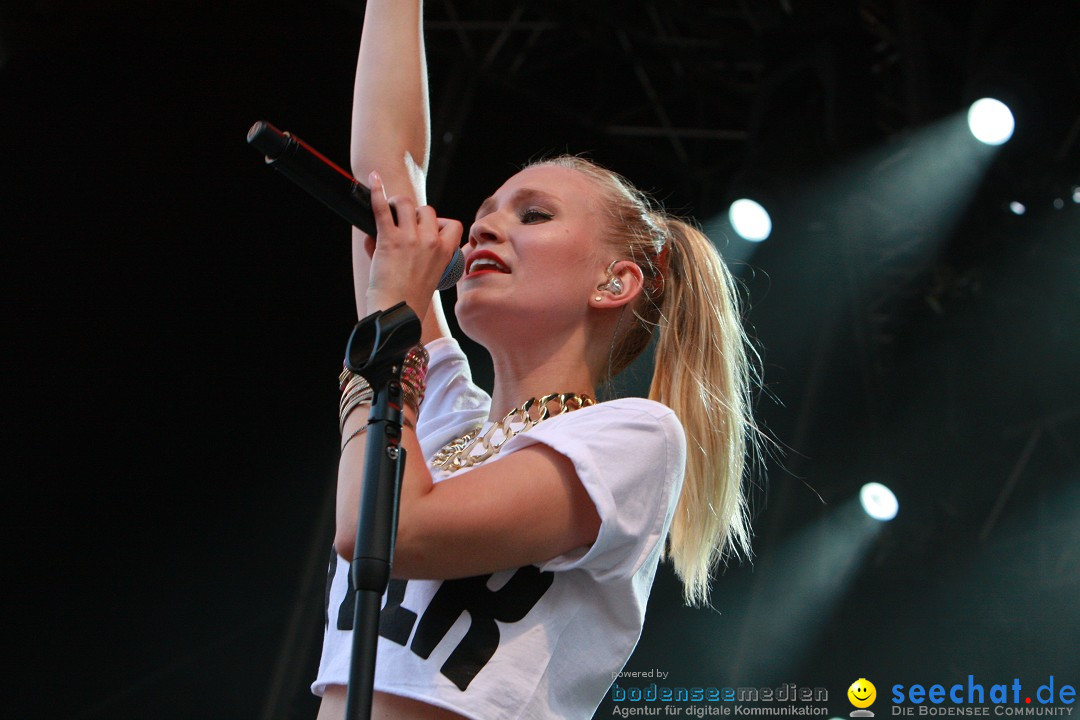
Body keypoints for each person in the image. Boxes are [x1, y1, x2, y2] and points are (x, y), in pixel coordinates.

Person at [312, 2, 761, 718]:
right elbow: (385, 190)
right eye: (487, 209)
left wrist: (390, 322)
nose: (486, 222)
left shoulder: (633, 440)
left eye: (533, 214)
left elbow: (386, 531)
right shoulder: (441, 421)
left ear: (615, 281)